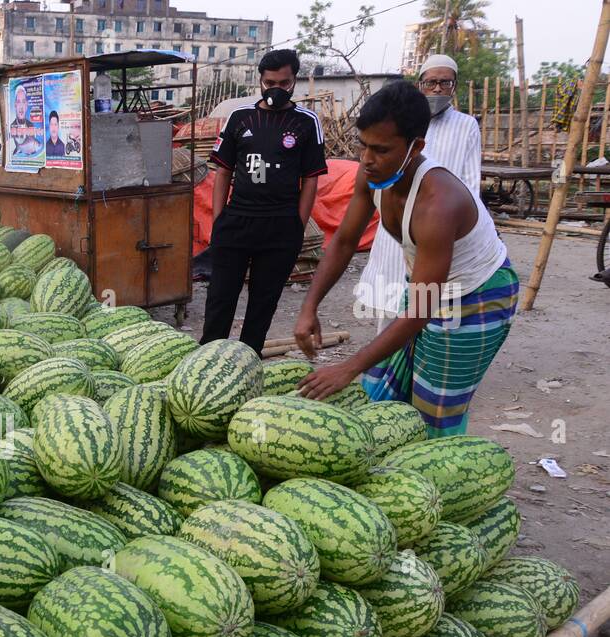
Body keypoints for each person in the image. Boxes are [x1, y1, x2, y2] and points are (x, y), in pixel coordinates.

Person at [294, 81, 518, 437]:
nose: (367, 159)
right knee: (385, 395)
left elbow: (420, 311)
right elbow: (344, 242)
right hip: (426, 287)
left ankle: (445, 484)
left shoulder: (438, 203)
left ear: (416, 147)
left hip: (477, 295)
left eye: (381, 150)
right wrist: (310, 307)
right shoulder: (371, 175)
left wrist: (347, 367)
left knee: (434, 411)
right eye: (362, 145)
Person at [202, 48, 327, 355]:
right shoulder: (239, 118)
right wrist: (219, 220)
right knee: (220, 297)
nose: (276, 90)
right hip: (237, 221)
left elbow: (311, 178)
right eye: (270, 82)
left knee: (264, 302)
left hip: (281, 225)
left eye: (283, 84)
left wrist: (297, 224)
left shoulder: (307, 122)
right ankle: (206, 358)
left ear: (293, 81)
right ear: (260, 80)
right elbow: (224, 171)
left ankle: (249, 359)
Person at [357, 54, 482, 326]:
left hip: (438, 226)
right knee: (389, 311)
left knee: (429, 311)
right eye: (431, 82)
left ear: (455, 86)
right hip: (397, 223)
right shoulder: (400, 125)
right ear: (420, 84)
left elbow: (471, 184)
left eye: (445, 83)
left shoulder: (466, 126)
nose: (438, 89)